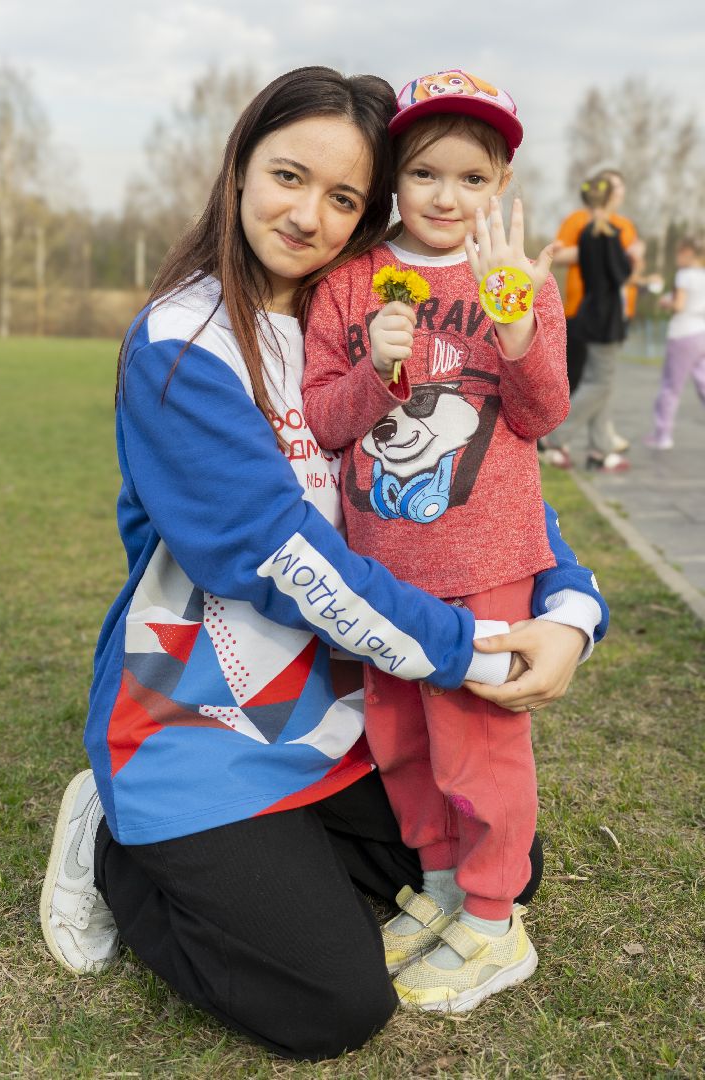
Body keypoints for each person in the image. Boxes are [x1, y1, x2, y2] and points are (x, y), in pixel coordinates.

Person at [39, 67, 607, 1061]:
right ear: (240, 166)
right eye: (288, 176)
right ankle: (113, 842)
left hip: (344, 715)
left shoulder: (365, 317)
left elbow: (488, 491)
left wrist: (570, 611)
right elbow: (280, 559)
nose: (309, 215)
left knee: (504, 863)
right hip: (201, 723)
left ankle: (273, 868)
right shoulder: (183, 346)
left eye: (344, 197)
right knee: (331, 1007)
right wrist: (472, 654)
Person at [302, 68, 578, 1014]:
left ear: (501, 182)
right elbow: (328, 422)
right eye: (425, 174)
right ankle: (446, 887)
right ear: (395, 179)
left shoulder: (517, 283)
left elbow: (542, 414)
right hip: (382, 575)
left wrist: (518, 331)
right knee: (404, 743)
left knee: (477, 749)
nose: (447, 197)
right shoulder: (347, 284)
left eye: (471, 177)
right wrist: (378, 370)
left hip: (484, 566)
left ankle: (497, 921)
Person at [542, 176, 633, 471]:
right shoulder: (610, 233)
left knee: (598, 382)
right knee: (599, 383)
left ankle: (599, 451)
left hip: (588, 311)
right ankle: (553, 439)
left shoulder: (586, 232)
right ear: (608, 199)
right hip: (604, 318)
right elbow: (621, 274)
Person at [553, 168, 642, 399]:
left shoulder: (620, 226)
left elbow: (625, 269)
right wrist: (620, 257)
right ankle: (559, 432)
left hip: (614, 311)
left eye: (620, 186)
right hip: (592, 313)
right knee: (585, 379)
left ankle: (599, 434)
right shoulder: (589, 225)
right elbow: (559, 254)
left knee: (601, 380)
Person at [644, 235, 705, 449]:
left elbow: (679, 306)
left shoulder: (685, 275)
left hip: (683, 335)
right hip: (701, 334)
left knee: (671, 387)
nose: (676, 257)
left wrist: (666, 302)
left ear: (688, 252)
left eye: (679, 252)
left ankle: (663, 436)